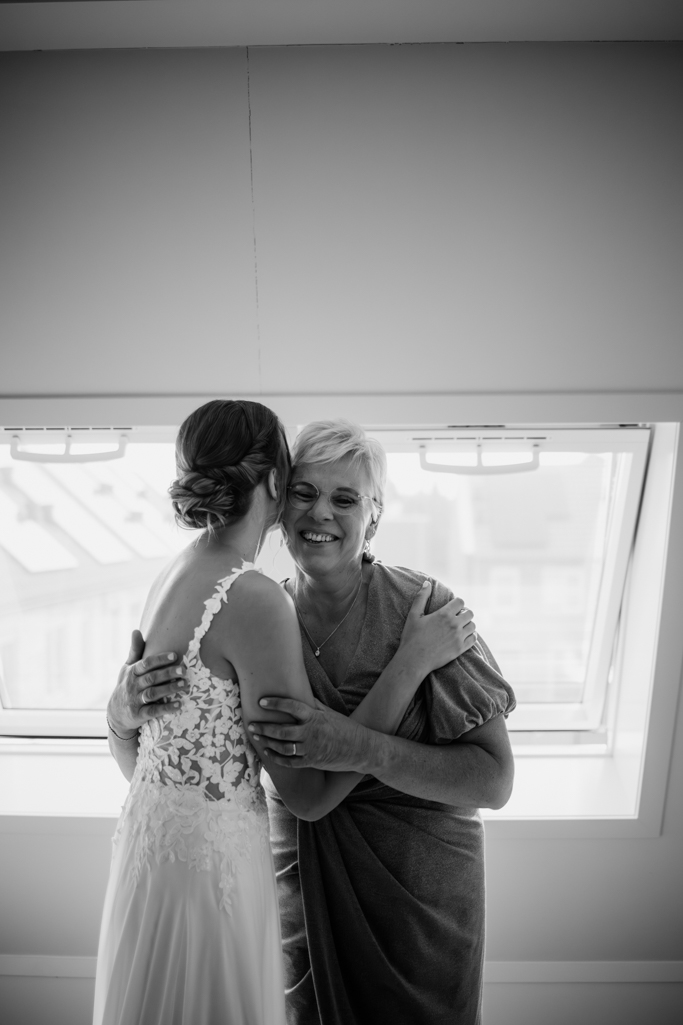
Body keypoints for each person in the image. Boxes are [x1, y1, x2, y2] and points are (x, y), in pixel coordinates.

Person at [99, 403, 479, 1025]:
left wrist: (120, 719)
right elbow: (309, 796)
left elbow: (147, 767)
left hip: (155, 863)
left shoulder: (174, 574)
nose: (319, 512)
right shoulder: (256, 599)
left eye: (345, 499)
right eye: (303, 490)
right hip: (215, 878)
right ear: (278, 483)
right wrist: (408, 666)